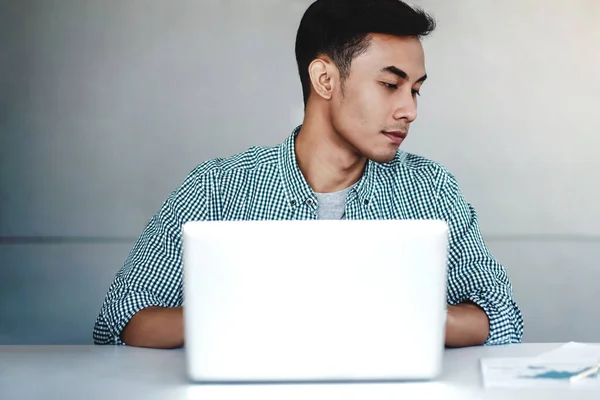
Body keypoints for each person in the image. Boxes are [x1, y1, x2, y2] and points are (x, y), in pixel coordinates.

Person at [93, 0, 523, 349]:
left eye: (415, 89)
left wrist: (403, 317)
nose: (409, 110)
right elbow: (121, 322)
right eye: (390, 85)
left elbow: (502, 315)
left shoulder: (429, 188)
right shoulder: (218, 187)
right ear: (324, 79)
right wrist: (257, 316)